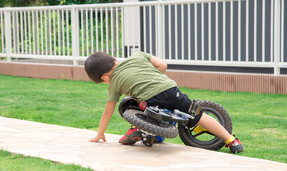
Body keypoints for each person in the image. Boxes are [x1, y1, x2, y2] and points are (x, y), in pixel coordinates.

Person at [84, 51, 244, 153]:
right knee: (197, 116)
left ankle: (142, 130)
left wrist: (100, 133)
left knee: (131, 104)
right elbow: (163, 64)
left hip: (151, 101)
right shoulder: (138, 56)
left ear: (104, 78)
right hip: (171, 90)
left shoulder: (113, 84)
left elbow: (108, 111)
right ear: (113, 59)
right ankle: (231, 140)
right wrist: (153, 76)